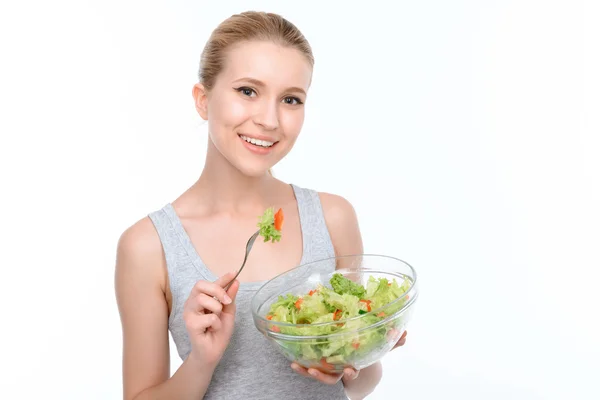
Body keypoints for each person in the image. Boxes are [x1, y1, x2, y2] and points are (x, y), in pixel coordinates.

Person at [114, 10, 407, 400]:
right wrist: (202, 360)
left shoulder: (334, 218)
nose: (270, 120)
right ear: (203, 100)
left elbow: (360, 385)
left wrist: (364, 351)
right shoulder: (149, 246)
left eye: (290, 99)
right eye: (247, 91)